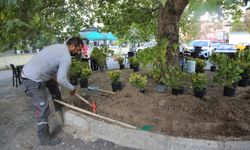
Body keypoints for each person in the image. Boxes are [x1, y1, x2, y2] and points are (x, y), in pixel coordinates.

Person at [21, 37, 83, 146]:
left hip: (39, 74)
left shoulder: (59, 47)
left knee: (55, 89)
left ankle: (60, 113)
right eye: (78, 49)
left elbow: (54, 69)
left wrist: (60, 80)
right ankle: (44, 138)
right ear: (72, 46)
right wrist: (72, 88)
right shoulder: (66, 57)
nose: (78, 52)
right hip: (32, 79)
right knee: (43, 108)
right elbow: (62, 79)